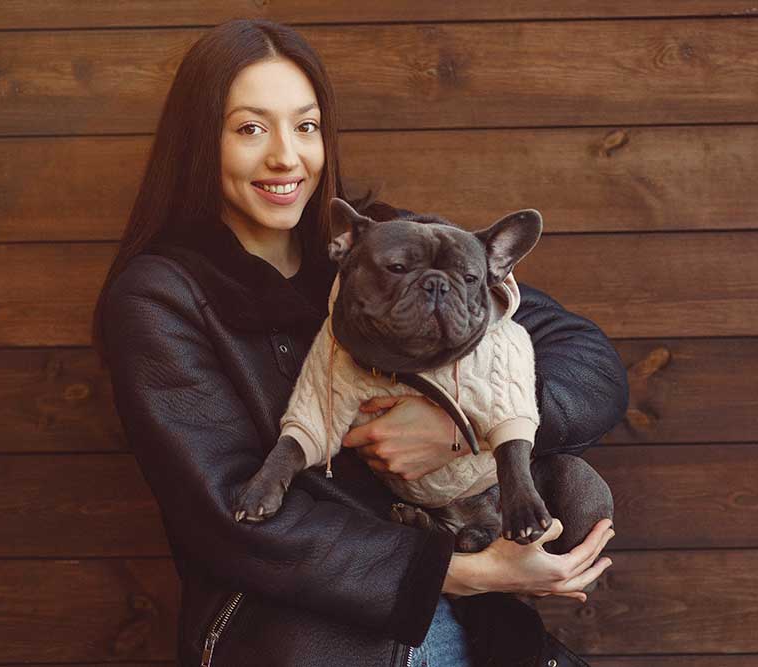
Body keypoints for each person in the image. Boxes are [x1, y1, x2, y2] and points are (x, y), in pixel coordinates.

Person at [92, 18, 627, 667]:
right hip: (302, 635)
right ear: (202, 141)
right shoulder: (159, 298)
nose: (286, 156)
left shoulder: (393, 244)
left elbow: (589, 361)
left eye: (306, 125)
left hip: (475, 613)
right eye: (250, 128)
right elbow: (226, 517)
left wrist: (460, 428)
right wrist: (467, 571)